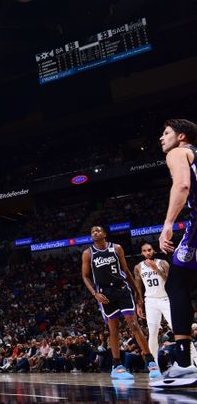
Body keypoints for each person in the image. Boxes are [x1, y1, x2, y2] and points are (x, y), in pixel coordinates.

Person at [81, 225, 160, 379]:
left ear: (104, 234)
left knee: (134, 325)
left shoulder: (117, 248)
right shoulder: (88, 253)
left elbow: (126, 271)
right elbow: (85, 276)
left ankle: (150, 361)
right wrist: (94, 293)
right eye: (92, 232)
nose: (95, 233)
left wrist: (137, 292)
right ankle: (117, 365)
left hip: (122, 289)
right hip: (104, 293)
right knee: (114, 330)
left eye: (98, 230)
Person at [155, 118, 197, 386]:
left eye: (166, 132)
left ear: (182, 136)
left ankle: (183, 364)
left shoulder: (178, 152)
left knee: (177, 284)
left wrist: (168, 224)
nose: (161, 137)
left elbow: (181, 185)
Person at [134, 242, 173, 370]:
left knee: (178, 329)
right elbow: (138, 287)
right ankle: (153, 365)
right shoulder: (138, 267)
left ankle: (194, 359)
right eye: (144, 251)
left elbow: (170, 280)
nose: (147, 252)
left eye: (149, 250)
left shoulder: (162, 263)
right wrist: (139, 305)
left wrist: (156, 269)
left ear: (153, 250)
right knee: (153, 333)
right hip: (150, 301)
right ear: (142, 253)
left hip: (166, 298)